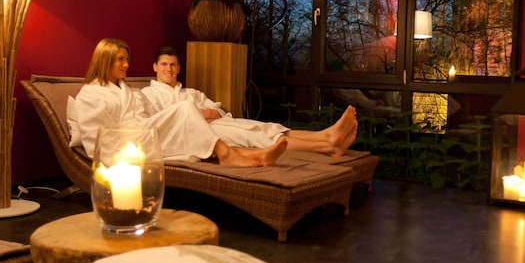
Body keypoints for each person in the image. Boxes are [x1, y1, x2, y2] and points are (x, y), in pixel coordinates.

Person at [73, 38, 287, 167]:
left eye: (127, 59)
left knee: (187, 118)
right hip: (124, 144)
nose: (127, 64)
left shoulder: (128, 91)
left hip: (143, 134)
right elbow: (96, 140)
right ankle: (227, 154)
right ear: (104, 60)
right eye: (121, 59)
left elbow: (147, 117)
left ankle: (252, 154)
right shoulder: (90, 95)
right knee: (185, 109)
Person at [141, 46, 358, 157]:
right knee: (253, 135)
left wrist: (212, 113)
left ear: (179, 68)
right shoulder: (149, 95)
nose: (169, 69)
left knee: (264, 126)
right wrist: (199, 115)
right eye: (164, 64)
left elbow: (216, 108)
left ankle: (326, 136)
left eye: (173, 65)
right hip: (199, 135)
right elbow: (161, 125)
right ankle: (327, 146)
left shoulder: (191, 93)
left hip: (220, 123)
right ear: (155, 67)